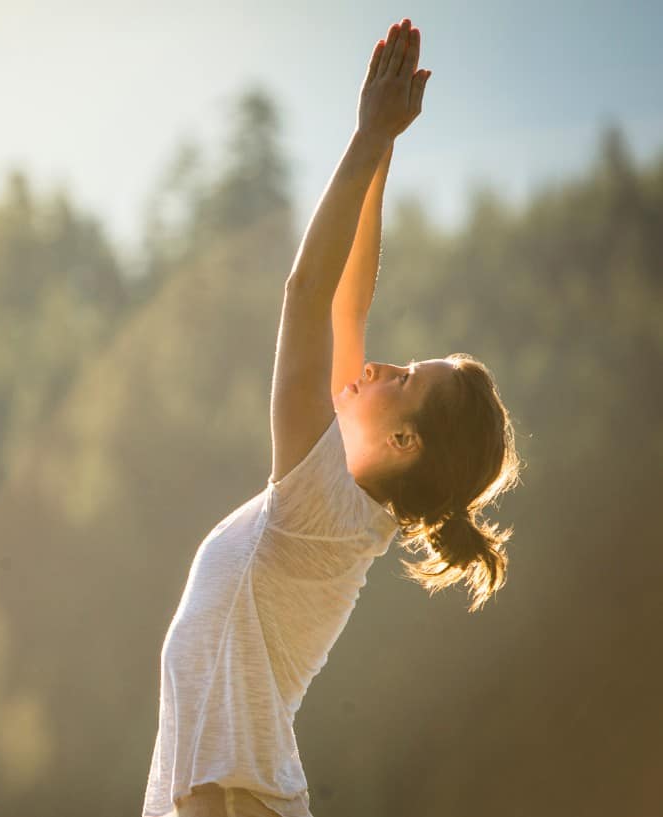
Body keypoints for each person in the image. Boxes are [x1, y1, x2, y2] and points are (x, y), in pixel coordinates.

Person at [142, 18, 523, 817]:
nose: (380, 363)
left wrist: (364, 142)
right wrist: (382, 152)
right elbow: (349, 305)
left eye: (403, 377)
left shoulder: (322, 505)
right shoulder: (346, 501)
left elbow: (309, 295)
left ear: (403, 439)